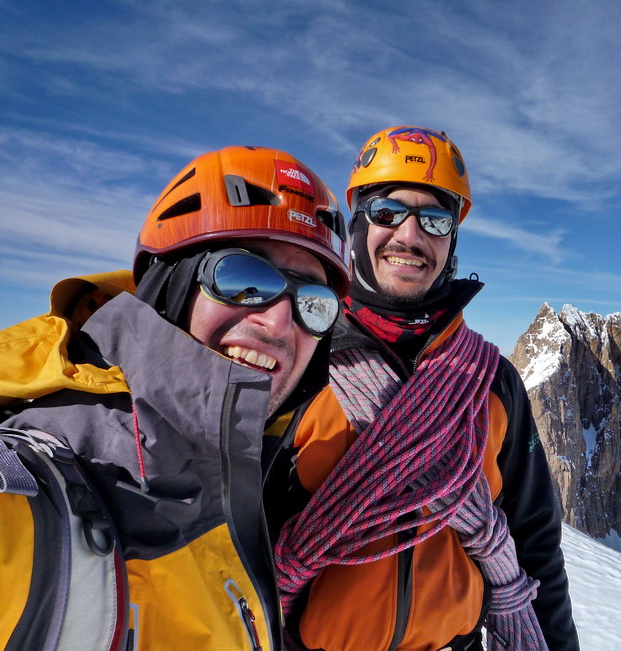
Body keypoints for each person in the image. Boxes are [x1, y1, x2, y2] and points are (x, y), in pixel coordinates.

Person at [0, 146, 350, 651]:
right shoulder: (32, 483)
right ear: (171, 286)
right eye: (242, 278)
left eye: (313, 302)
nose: (278, 321)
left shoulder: (248, 464)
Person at [272, 126, 579, 651]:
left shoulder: (491, 380)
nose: (410, 236)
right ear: (357, 224)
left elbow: (535, 541)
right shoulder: (300, 356)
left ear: (451, 240)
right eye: (388, 212)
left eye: (435, 220)